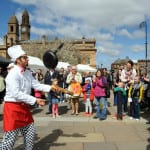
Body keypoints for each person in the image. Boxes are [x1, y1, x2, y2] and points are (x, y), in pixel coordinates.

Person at [0, 45, 57, 150]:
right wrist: (35, 100)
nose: (27, 59)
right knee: (9, 140)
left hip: (24, 108)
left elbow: (36, 85)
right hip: (13, 109)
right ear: (18, 60)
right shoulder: (12, 74)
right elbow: (16, 93)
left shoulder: (27, 72)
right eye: (25, 57)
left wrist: (50, 87)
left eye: (27, 57)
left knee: (30, 135)